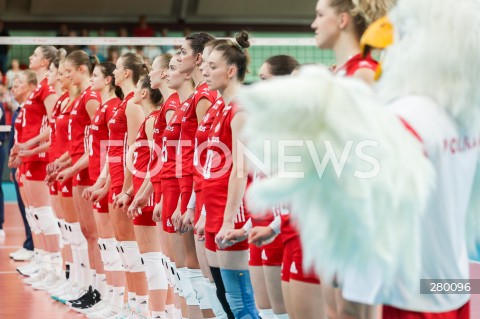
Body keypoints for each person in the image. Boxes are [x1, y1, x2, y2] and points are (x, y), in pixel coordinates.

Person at [225, 54, 300, 319]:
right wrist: (246, 227)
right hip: (262, 226)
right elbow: (259, 181)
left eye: (265, 79)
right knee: (265, 309)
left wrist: (275, 225)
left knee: (286, 311)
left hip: (284, 229)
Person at [201, 31, 260, 319]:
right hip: (214, 209)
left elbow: (240, 169)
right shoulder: (220, 107)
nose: (205, 72)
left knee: (240, 302)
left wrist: (227, 219)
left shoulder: (240, 110)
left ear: (231, 71)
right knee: (224, 297)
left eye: (212, 67)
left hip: (231, 210)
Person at [7, 73, 36, 259]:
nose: (13, 88)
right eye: (13, 84)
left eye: (18, 84)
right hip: (20, 163)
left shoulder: (32, 109)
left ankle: (34, 248)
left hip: (33, 163)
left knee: (36, 210)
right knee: (26, 208)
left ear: (31, 86)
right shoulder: (19, 110)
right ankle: (29, 245)